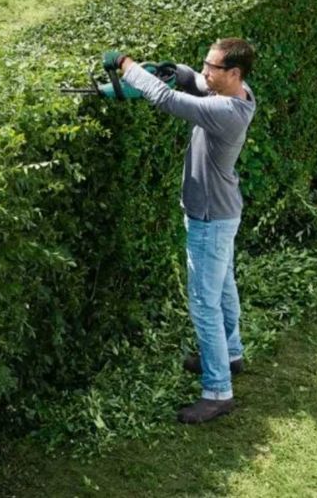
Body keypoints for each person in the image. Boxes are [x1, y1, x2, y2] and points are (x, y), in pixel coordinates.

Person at [104, 38, 257, 424]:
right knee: (222, 287)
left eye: (213, 67)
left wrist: (127, 66)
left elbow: (170, 102)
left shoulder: (225, 110)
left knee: (204, 303)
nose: (206, 72)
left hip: (208, 217)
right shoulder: (240, 92)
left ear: (233, 73)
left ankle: (218, 390)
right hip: (222, 211)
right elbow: (197, 85)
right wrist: (178, 72)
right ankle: (231, 353)